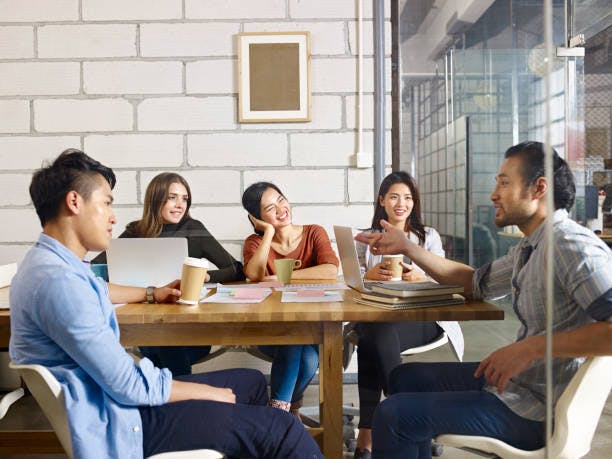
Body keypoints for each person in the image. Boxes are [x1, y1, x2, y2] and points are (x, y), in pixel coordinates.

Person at [9, 149, 323, 459]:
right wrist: (209, 394)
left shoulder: (51, 264)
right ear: (74, 202)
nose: (113, 216)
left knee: (252, 382)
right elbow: (128, 384)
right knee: (283, 428)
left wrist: (150, 292)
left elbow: (101, 289)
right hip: (124, 420)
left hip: (114, 401)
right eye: (106, 203)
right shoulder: (60, 283)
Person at [355, 141, 612, 459]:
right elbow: (474, 282)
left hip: (537, 410)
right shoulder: (531, 247)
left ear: (538, 188)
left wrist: (530, 348)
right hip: (519, 384)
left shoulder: (572, 247)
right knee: (405, 377)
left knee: (393, 415)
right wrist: (407, 248)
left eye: (504, 182)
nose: (493, 194)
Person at [351, 171, 464, 459]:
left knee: (373, 335)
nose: (402, 203)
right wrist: (369, 277)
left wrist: (420, 276)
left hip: (423, 319)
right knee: (373, 333)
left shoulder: (428, 237)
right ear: (382, 201)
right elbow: (352, 284)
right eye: (394, 197)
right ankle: (400, 420)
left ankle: (375, 429)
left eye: (408, 197)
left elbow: (447, 281)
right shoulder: (367, 239)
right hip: (381, 319)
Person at [93, 172, 245, 376]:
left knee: (161, 346)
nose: (180, 205)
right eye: (172, 197)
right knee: (159, 342)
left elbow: (236, 269)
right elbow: (94, 269)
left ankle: (171, 397)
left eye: (184, 199)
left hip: (190, 329)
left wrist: (206, 277)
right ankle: (181, 398)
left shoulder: (193, 230)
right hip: (147, 326)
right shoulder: (136, 232)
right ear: (156, 199)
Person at [241, 181, 339, 413]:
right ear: (257, 218)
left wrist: (282, 278)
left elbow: (330, 270)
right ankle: (286, 410)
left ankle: (277, 412)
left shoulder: (314, 232)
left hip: (314, 328)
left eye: (281, 200)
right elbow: (254, 274)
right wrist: (269, 233)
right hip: (271, 330)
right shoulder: (255, 242)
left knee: (304, 349)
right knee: (296, 340)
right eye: (269, 208)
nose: (280, 209)